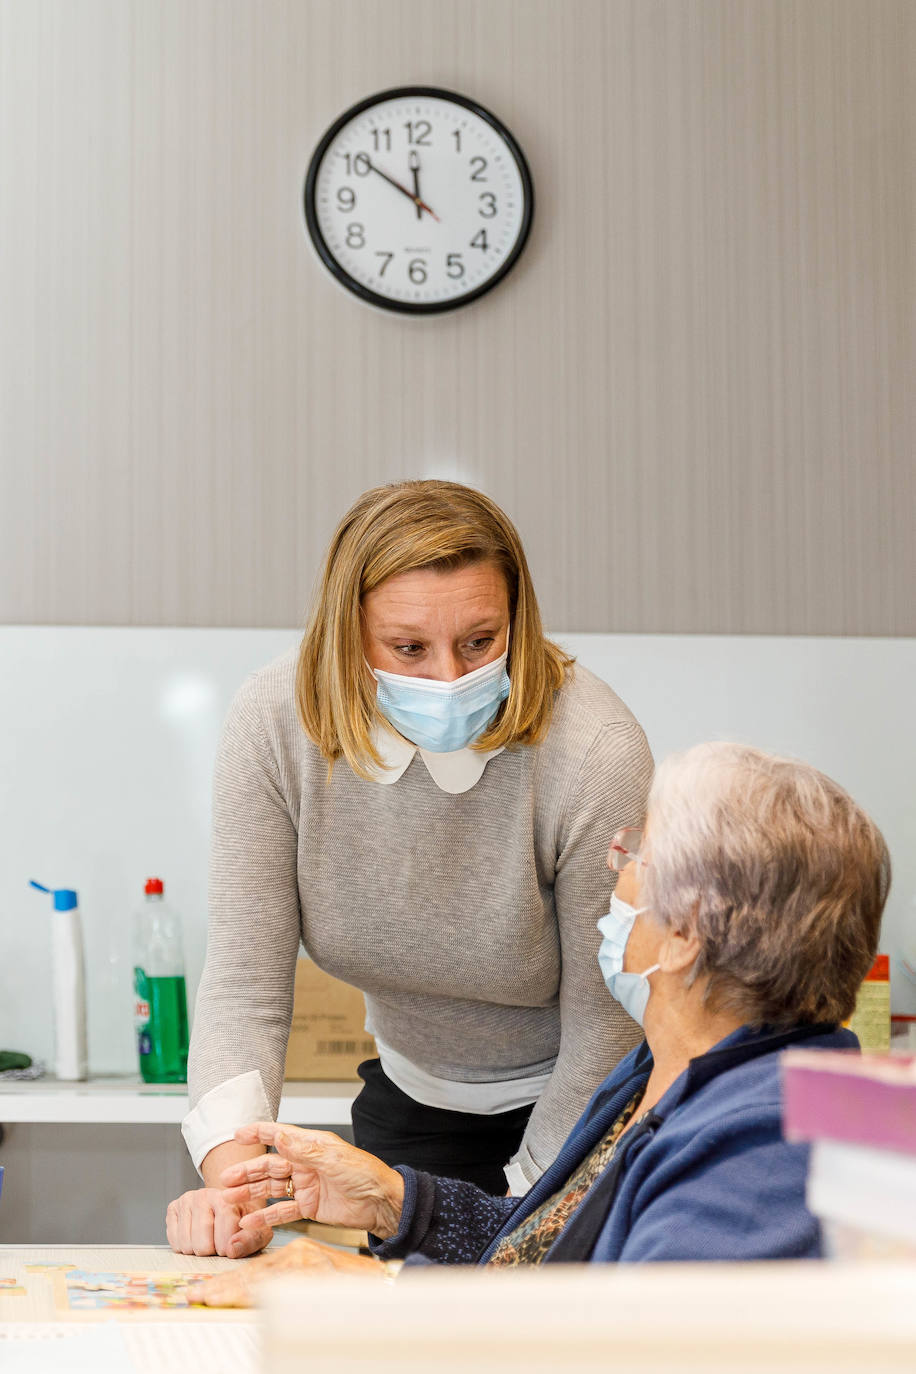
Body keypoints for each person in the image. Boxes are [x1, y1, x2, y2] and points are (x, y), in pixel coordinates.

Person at [188, 740, 890, 1302]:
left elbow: (637, 1343)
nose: (615, 876)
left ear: (686, 933)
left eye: (635, 856)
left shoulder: (773, 1139)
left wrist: (382, 1296)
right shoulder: (666, 1072)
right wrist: (395, 1202)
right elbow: (563, 1250)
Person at [168, 480, 653, 1258]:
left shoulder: (594, 753)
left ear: (518, 624)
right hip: (413, 1096)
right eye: (407, 648)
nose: (447, 679)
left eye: (479, 641)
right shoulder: (275, 725)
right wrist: (235, 1187)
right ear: (346, 634)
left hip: (577, 1104)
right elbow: (245, 985)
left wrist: (517, 1218)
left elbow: (607, 1021)